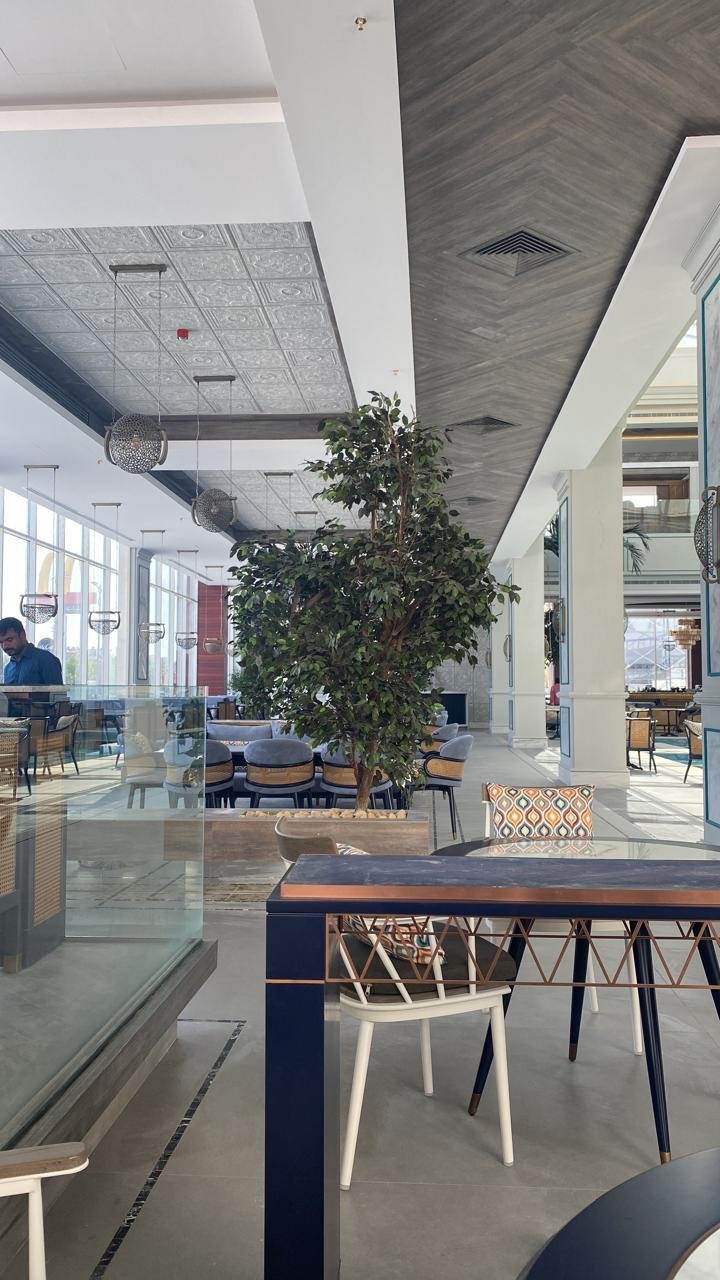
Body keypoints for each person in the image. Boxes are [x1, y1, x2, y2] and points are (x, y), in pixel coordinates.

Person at [0, 616, 63, 685]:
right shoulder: (8, 668)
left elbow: (57, 691)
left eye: (9, 640)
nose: (4, 646)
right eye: (1, 642)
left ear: (22, 635)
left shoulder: (45, 660)